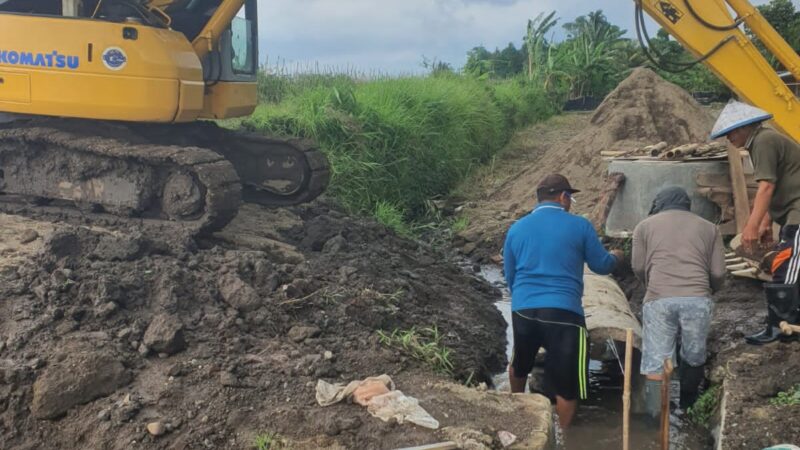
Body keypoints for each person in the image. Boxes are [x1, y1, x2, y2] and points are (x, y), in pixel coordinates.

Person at [503, 173, 623, 429]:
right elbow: (601, 266)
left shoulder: (516, 228)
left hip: (524, 309)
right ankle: (566, 437)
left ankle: (516, 412)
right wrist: (616, 257)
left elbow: (510, 276)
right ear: (563, 197)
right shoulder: (579, 226)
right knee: (567, 386)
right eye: (570, 198)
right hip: (564, 313)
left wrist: (523, 299)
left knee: (520, 362)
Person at [710, 100, 800, 344]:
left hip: (797, 214)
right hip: (791, 212)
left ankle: (781, 328)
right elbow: (779, 182)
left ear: (743, 128)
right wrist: (766, 222)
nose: (728, 138)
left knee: (785, 268)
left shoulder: (764, 141)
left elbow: (767, 186)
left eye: (730, 132)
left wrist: (751, 225)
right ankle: (785, 325)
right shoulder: (761, 142)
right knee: (790, 267)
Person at [632, 187, 726, 418]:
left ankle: (655, 418)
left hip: (659, 298)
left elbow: (638, 266)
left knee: (656, 359)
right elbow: (718, 272)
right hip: (697, 298)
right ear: (687, 205)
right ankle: (688, 407)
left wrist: (652, 284)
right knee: (694, 354)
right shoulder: (710, 228)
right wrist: (707, 290)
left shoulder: (644, 227)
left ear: (659, 204)